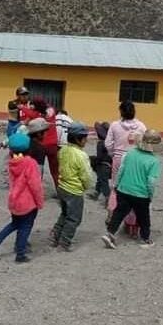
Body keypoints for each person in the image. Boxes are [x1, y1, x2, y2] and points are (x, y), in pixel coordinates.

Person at [0, 133, 44, 264]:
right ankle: (20, 253)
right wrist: (40, 202)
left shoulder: (12, 163)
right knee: (25, 227)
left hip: (14, 201)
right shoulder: (30, 163)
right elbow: (35, 185)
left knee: (14, 224)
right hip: (28, 203)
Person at [102, 130, 162, 249]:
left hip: (123, 190)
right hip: (141, 194)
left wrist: (116, 185)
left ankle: (110, 234)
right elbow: (151, 181)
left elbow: (121, 170)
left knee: (118, 213)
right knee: (143, 218)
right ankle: (145, 239)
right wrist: (150, 195)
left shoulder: (130, 153)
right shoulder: (154, 161)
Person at [104, 100, 147, 237]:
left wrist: (114, 154)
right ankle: (132, 224)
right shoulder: (141, 126)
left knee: (116, 188)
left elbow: (108, 144)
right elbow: (145, 143)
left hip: (118, 158)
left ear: (121, 111)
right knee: (133, 189)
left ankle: (111, 215)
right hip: (135, 160)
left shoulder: (115, 125)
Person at [50, 122, 93, 251]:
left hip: (62, 187)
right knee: (74, 219)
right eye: (84, 138)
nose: (86, 140)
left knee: (65, 214)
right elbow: (86, 176)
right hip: (74, 191)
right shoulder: (82, 155)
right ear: (77, 139)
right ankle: (64, 242)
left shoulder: (62, 150)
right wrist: (86, 186)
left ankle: (55, 235)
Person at [31, 98, 59, 186]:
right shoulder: (52, 110)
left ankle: (37, 190)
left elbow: (29, 117)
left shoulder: (36, 114)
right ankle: (60, 192)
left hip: (41, 145)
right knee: (55, 171)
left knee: (39, 169)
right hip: (53, 145)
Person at [91, 121, 112, 203]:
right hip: (110, 165)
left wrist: (95, 162)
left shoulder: (100, 143)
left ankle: (108, 198)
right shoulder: (110, 142)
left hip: (102, 165)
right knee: (101, 179)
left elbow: (99, 157)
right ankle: (96, 193)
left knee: (103, 182)